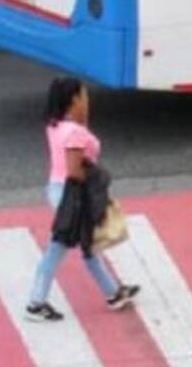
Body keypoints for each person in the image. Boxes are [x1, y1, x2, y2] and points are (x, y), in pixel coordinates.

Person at [26, 77, 140, 322]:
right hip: (73, 195)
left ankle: (113, 293)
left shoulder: (55, 125)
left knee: (87, 246)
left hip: (58, 190)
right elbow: (75, 170)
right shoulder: (75, 133)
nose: (88, 100)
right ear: (74, 99)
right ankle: (35, 303)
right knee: (58, 249)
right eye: (84, 96)